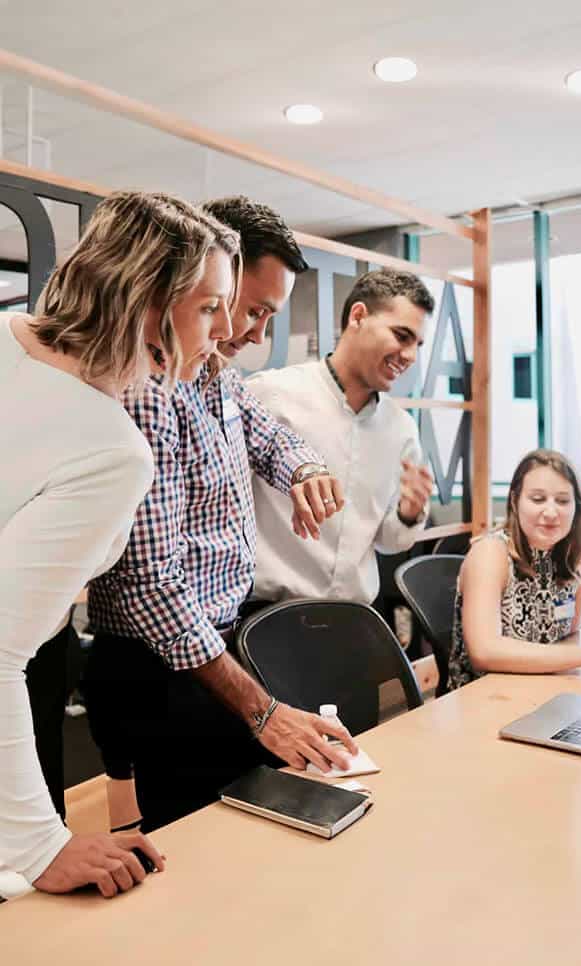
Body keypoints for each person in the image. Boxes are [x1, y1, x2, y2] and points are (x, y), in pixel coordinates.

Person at [85, 196, 357, 835]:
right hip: (159, 661)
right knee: (220, 839)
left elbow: (268, 435)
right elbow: (150, 585)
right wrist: (263, 713)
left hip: (208, 646)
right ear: (210, 280)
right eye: (251, 310)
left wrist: (303, 468)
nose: (259, 334)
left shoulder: (215, 374)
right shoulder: (150, 389)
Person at [0, 189, 240, 898]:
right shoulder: (113, 451)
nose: (225, 331)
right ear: (146, 305)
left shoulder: (7, 333)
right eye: (208, 307)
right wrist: (40, 846)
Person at [247, 267, 435, 605]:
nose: (410, 356)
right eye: (401, 336)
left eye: (417, 345)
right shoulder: (270, 395)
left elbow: (389, 541)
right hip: (267, 614)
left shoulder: (402, 429)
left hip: (354, 618)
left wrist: (409, 512)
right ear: (358, 316)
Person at [447, 449, 581, 689]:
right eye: (537, 499)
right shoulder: (491, 553)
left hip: (544, 686)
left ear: (576, 507)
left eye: (563, 501)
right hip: (482, 696)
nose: (551, 512)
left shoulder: (577, 557)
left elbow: (568, 639)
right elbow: (484, 651)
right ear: (515, 501)